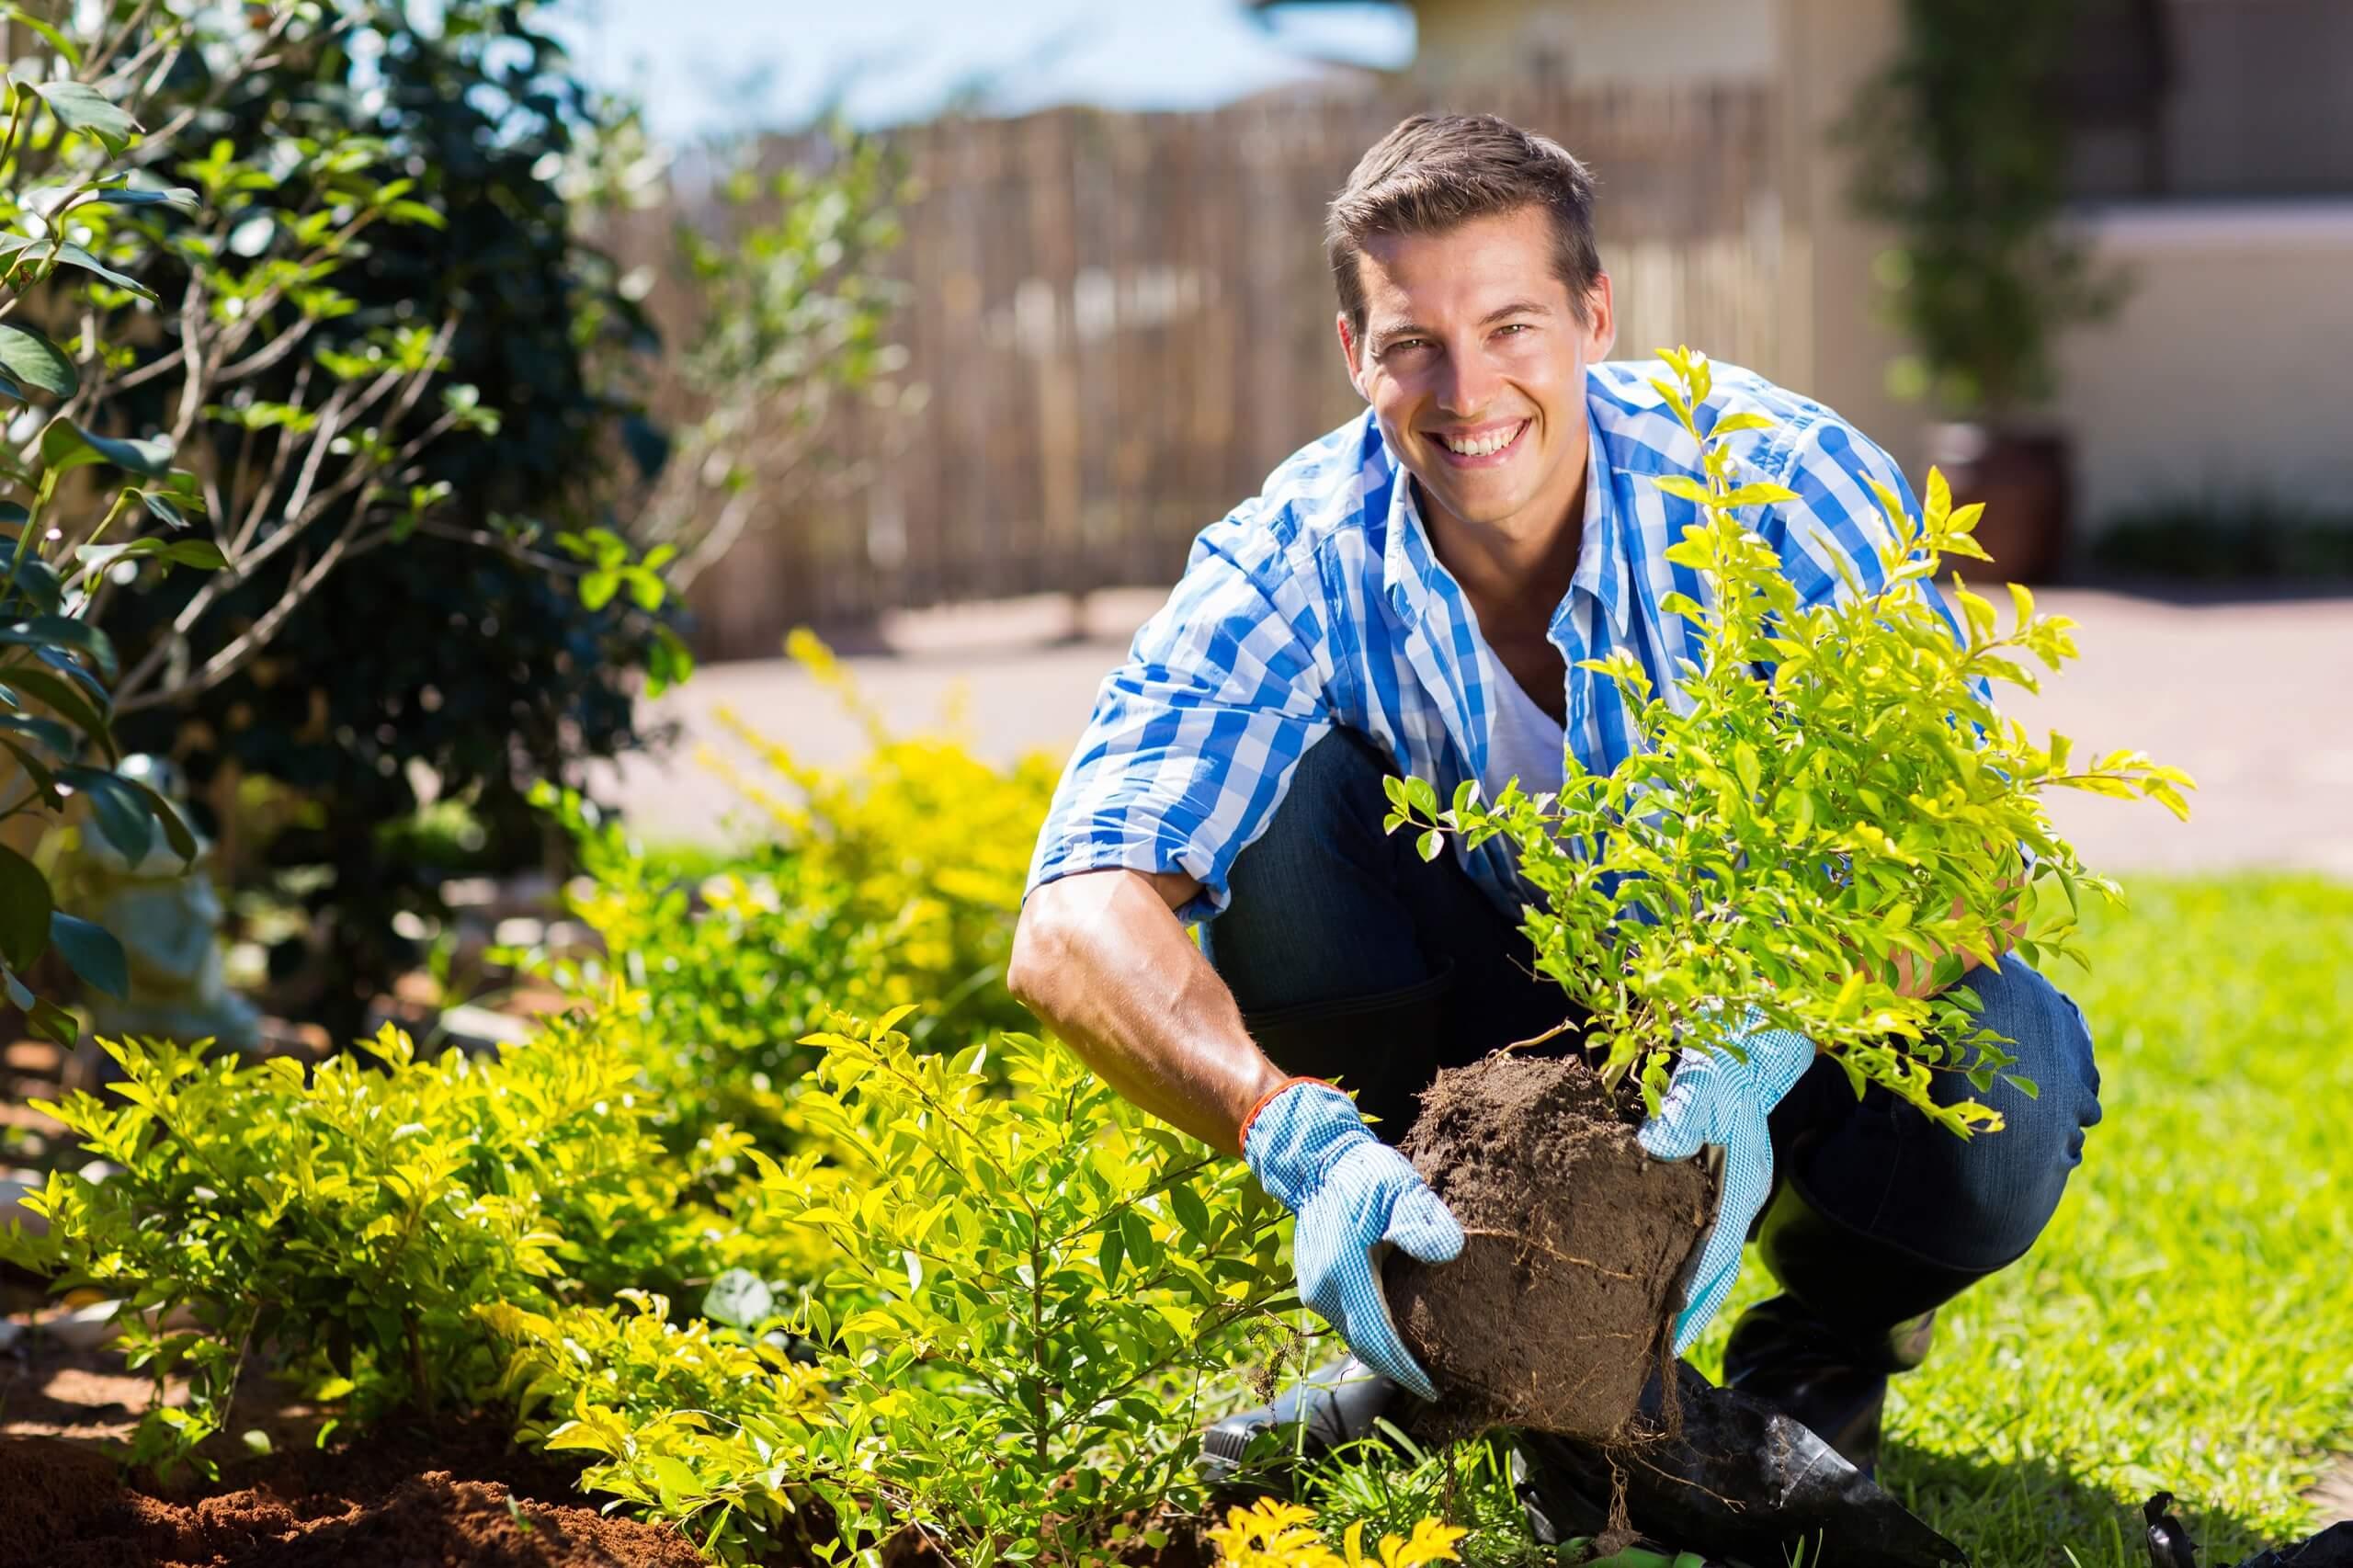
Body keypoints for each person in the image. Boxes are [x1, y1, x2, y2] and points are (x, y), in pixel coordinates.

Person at [1006, 112, 2100, 1480]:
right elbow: (1071, 916)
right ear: (1356, 358)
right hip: (1483, 1040)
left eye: (1512, 326)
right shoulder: (1292, 554)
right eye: (1413, 345)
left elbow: (1971, 840)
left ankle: (1823, 1337)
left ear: (1593, 313)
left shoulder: (1765, 482)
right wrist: (1279, 1122)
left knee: (2011, 1065)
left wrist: (1769, 1031)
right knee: (1272, 819)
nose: (1466, 392)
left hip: (1770, 1015)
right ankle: (1447, 1305)